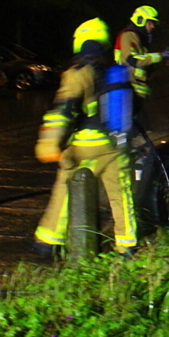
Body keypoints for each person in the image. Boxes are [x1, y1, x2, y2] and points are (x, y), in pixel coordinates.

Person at [34, 18, 137, 258]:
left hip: (87, 146)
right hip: (117, 145)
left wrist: (48, 143)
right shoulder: (115, 71)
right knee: (121, 196)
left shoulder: (78, 73)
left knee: (65, 187)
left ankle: (47, 242)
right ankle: (127, 245)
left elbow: (63, 110)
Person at [114, 5, 164, 114]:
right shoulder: (129, 35)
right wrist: (159, 56)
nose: (152, 26)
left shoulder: (138, 37)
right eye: (150, 23)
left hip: (136, 90)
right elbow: (133, 59)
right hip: (130, 89)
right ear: (140, 20)